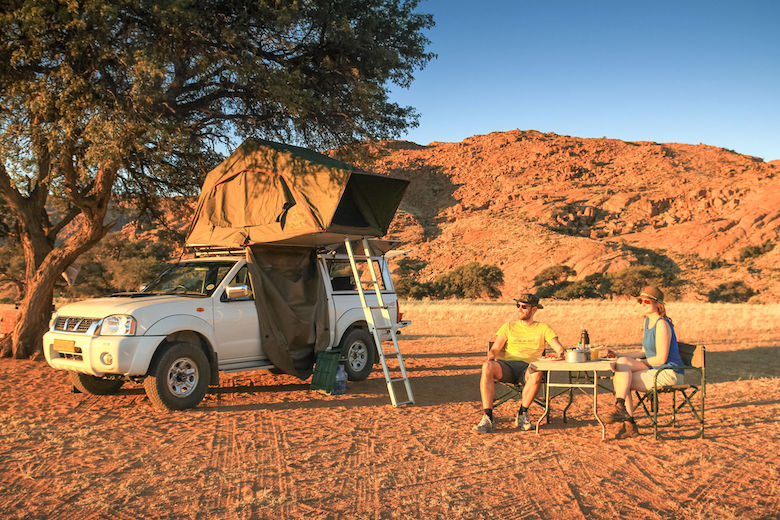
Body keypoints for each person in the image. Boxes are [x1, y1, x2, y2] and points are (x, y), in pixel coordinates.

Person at [472, 294, 565, 433]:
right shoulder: (508, 326)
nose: (519, 309)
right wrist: (490, 358)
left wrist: (560, 352)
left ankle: (522, 414)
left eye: (524, 306)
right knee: (487, 366)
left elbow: (559, 348)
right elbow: (495, 349)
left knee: (537, 371)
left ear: (534, 310)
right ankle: (488, 417)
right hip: (508, 367)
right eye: (518, 306)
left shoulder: (544, 328)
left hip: (529, 368)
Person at [605, 285, 684, 439]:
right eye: (640, 301)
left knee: (622, 377)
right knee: (621, 368)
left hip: (669, 372)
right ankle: (623, 412)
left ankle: (628, 422)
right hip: (655, 368)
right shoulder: (648, 322)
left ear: (658, 304)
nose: (642, 304)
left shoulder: (662, 324)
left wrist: (637, 363)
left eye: (646, 301)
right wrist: (620, 354)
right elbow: (643, 351)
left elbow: (661, 359)